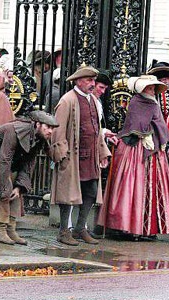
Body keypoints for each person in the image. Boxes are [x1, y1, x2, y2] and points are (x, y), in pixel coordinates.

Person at [99, 75, 169, 239]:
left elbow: (161, 124)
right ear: (141, 89)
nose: (152, 90)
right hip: (135, 149)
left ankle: (147, 227)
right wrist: (145, 134)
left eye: (153, 88)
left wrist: (156, 136)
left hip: (153, 150)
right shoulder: (136, 102)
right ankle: (128, 226)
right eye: (149, 88)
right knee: (132, 185)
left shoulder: (154, 103)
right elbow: (135, 125)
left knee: (152, 187)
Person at [49, 65, 111, 246]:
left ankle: (79, 228)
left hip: (90, 156)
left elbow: (96, 129)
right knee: (68, 194)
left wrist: (102, 153)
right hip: (72, 156)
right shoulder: (67, 100)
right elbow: (57, 129)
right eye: (88, 80)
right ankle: (63, 231)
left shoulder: (92, 100)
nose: (92, 84)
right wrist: (61, 154)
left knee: (91, 191)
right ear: (78, 81)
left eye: (93, 81)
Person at [0, 110, 58, 244]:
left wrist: (20, 186)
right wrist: (5, 186)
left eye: (52, 128)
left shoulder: (39, 138)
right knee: (4, 187)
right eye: (47, 127)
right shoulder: (15, 130)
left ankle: (10, 228)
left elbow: (28, 165)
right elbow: (4, 159)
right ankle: (0, 228)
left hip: (8, 162)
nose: (50, 131)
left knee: (15, 191)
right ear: (37, 124)